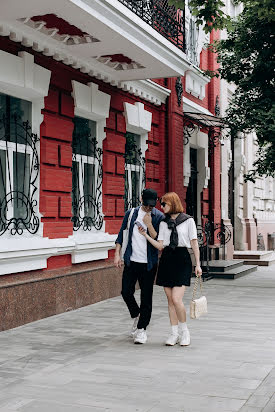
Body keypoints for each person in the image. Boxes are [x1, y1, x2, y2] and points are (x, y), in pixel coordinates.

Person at [138, 192, 202, 347]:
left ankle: (184, 332)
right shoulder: (163, 223)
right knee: (170, 301)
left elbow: (194, 244)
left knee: (176, 299)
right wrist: (146, 235)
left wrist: (198, 264)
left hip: (182, 259)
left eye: (164, 204)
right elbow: (160, 245)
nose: (161, 207)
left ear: (172, 203)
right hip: (167, 259)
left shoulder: (188, 221)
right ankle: (173, 334)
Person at [114, 188, 164, 344]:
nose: (149, 208)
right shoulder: (131, 214)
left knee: (146, 297)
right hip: (131, 261)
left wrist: (149, 225)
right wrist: (117, 254)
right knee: (125, 292)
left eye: (152, 205)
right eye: (146, 204)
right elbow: (122, 233)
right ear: (141, 198)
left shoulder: (159, 216)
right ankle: (137, 315)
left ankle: (142, 330)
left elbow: (159, 240)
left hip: (148, 264)